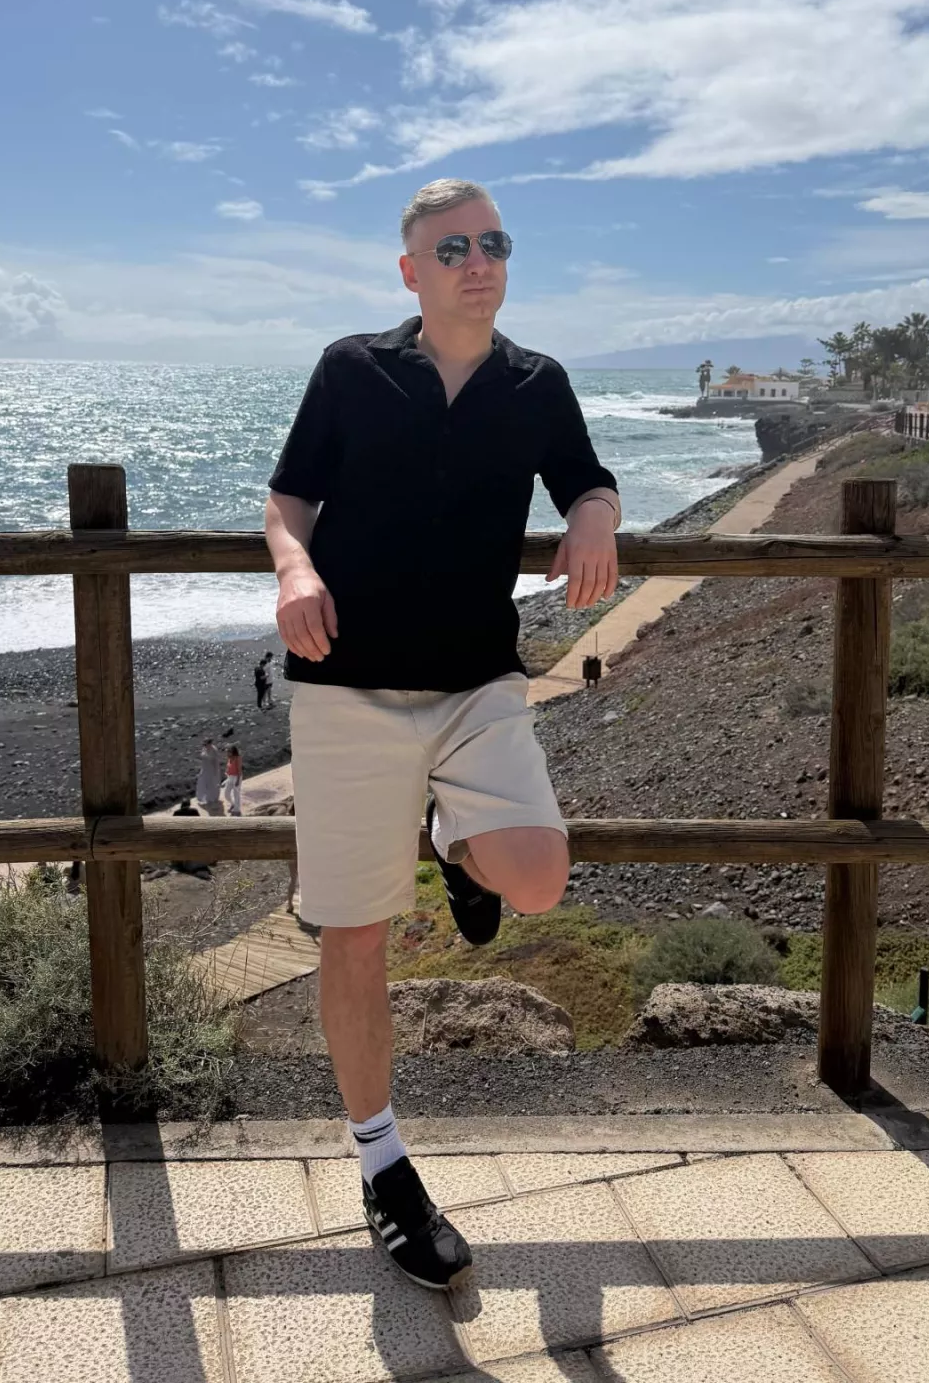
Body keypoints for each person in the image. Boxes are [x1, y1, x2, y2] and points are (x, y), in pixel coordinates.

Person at [265, 176, 619, 1293]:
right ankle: (383, 1166)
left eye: (494, 243)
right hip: (346, 685)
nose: (479, 262)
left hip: (475, 685)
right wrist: (294, 571)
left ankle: (453, 840)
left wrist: (595, 518)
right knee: (355, 934)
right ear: (410, 269)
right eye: (454, 247)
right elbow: (288, 500)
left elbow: (587, 480)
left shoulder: (535, 382)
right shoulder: (350, 368)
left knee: (539, 880)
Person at [195, 739, 223, 816]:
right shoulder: (204, 749)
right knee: (202, 782)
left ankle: (212, 799)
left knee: (211, 785)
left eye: (206, 744)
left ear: (210, 744)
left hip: (211, 770)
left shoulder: (214, 750)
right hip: (204, 769)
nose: (205, 746)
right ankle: (202, 797)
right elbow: (203, 758)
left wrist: (215, 773)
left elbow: (215, 762)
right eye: (205, 744)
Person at [221, 743, 243, 814]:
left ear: (233, 751)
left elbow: (239, 770)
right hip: (230, 777)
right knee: (226, 794)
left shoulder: (238, 758)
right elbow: (229, 767)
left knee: (236, 794)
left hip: (236, 777)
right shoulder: (229, 757)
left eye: (229, 751)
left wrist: (238, 780)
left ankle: (237, 809)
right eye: (227, 751)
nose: (227, 753)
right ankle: (233, 804)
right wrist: (227, 773)